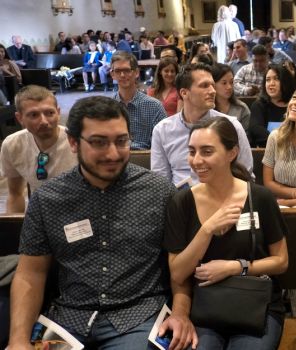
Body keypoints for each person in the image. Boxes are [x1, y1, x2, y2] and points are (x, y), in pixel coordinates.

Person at [8, 96, 196, 350]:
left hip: (137, 316)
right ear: (73, 142)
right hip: (69, 317)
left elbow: (180, 265)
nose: (112, 153)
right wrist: (18, 339)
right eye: (98, 143)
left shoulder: (159, 192)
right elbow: (31, 273)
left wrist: (181, 313)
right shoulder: (49, 199)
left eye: (121, 141)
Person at [163, 117, 288, 349]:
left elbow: (281, 262)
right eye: (192, 151)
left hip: (256, 304)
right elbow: (178, 274)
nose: (197, 160)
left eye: (207, 151)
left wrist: (235, 267)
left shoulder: (259, 197)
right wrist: (207, 229)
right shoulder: (182, 202)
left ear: (232, 153)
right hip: (205, 306)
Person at [151, 63, 253, 187]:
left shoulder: (232, 126)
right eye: (204, 86)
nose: (212, 91)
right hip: (178, 200)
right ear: (184, 93)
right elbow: (160, 182)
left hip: (223, 197)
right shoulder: (162, 130)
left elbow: (245, 175)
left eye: (213, 85)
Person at [0, 85, 76, 213]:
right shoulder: (13, 144)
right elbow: (15, 194)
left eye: (49, 113)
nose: (44, 121)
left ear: (58, 112)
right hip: (41, 213)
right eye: (34, 115)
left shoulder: (78, 141)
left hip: (78, 212)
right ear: (20, 118)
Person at [111, 51, 166, 150]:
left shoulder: (154, 106)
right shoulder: (107, 107)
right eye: (118, 71)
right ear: (113, 75)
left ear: (136, 72)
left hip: (146, 160)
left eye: (127, 70)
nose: (122, 75)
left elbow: (163, 144)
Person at [249, 63, 296, 147]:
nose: (271, 83)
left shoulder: (295, 104)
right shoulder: (259, 105)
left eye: (276, 79)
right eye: (268, 80)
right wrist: (281, 142)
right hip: (267, 151)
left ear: (285, 81)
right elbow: (256, 130)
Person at [211, 63, 251, 132]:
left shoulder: (242, 108)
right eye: (224, 83)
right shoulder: (207, 109)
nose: (229, 87)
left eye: (231, 82)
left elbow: (247, 136)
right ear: (213, 84)